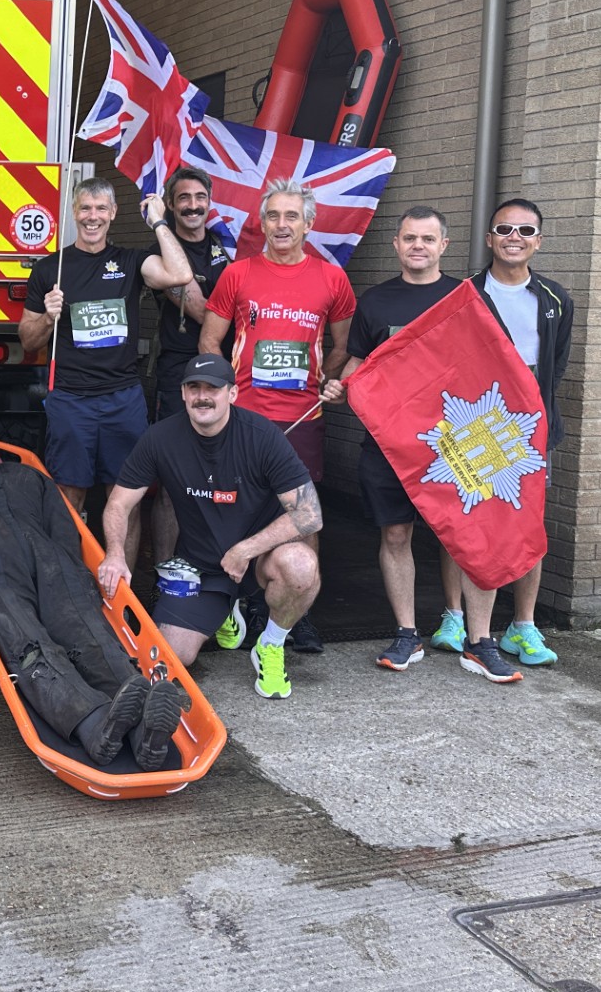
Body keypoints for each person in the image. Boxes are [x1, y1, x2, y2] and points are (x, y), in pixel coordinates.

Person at [0, 445, 190, 770]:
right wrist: (73, 569)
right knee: (88, 633)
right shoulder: (33, 476)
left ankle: (98, 725)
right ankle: (137, 729)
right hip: (47, 555)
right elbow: (62, 524)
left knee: (29, 643)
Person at [98, 354, 323, 701]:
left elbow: (309, 514)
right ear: (184, 394)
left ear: (232, 394)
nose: (203, 396)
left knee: (301, 565)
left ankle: (271, 645)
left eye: (212, 388)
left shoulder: (262, 436)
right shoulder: (160, 438)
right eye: (194, 388)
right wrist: (114, 554)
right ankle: (223, 612)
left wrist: (245, 549)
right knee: (172, 659)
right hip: (201, 567)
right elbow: (119, 503)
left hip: (259, 559)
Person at [199, 177, 354, 653]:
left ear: (309, 223)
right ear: (260, 222)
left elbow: (342, 348)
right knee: (236, 512)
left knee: (304, 520)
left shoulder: (332, 279)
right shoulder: (238, 275)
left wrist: (322, 384)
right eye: (273, 216)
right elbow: (209, 342)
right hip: (244, 421)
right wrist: (225, 398)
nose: (281, 224)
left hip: (302, 421)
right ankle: (241, 602)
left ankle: (298, 613)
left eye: (292, 216)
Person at [320, 206, 466, 673]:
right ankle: (407, 633)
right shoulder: (377, 302)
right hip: (389, 441)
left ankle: (462, 624)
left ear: (444, 245)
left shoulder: (465, 299)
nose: (418, 246)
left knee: (457, 535)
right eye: (409, 238)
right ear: (397, 245)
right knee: (396, 533)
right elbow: (358, 364)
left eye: (427, 238)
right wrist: (340, 384)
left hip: (453, 442)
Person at [18, 178, 193, 562]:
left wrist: (160, 223)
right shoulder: (52, 269)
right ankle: (69, 583)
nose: (92, 216)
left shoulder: (131, 262)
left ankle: (122, 591)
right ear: (74, 213)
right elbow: (28, 341)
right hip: (71, 400)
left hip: (122, 399)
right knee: (69, 496)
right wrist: (48, 318)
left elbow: (180, 275)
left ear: (113, 214)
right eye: (85, 208)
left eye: (101, 209)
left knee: (124, 497)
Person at [457, 197, 575, 677]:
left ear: (538, 242)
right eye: (504, 229)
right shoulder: (465, 294)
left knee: (529, 528)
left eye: (526, 231)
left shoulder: (554, 300)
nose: (514, 238)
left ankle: (522, 625)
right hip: (479, 428)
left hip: (532, 430)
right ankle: (477, 635)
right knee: (481, 528)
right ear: (489, 239)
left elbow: (555, 368)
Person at [149, 167, 235, 565]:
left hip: (225, 372)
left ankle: (215, 565)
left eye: (200, 197)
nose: (193, 206)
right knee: (173, 479)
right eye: (184, 198)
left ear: (209, 201)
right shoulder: (162, 258)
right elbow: (200, 308)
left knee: (225, 475)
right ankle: (167, 571)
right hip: (179, 373)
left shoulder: (226, 247)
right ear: (170, 204)